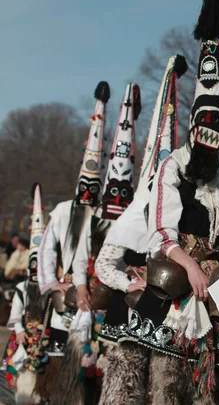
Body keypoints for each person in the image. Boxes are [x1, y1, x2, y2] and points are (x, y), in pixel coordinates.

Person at [124, 0, 219, 403]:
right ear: (192, 125)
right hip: (178, 269)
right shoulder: (174, 165)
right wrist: (190, 265)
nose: (208, 128)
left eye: (217, 121)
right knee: (159, 370)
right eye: (202, 120)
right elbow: (161, 228)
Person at [95, 54, 187, 405]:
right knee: (125, 391)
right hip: (130, 313)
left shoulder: (178, 213)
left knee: (165, 391)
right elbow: (105, 265)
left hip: (168, 317)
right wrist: (128, 282)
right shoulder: (132, 216)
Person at [48, 83, 141, 405]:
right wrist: (72, 283)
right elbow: (69, 253)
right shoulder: (70, 214)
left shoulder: (124, 218)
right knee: (74, 360)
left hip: (114, 296)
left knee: (107, 364)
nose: (90, 194)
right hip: (82, 291)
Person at [36, 82, 110, 399]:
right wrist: (50, 283)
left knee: (94, 365)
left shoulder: (106, 215)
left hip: (100, 292)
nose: (89, 195)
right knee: (62, 362)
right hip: (68, 294)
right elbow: (45, 249)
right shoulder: (64, 211)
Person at [5, 184, 46, 405]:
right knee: (24, 384)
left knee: (41, 387)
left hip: (43, 339)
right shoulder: (22, 289)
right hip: (25, 339)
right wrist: (20, 330)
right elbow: (16, 313)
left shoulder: (48, 287)